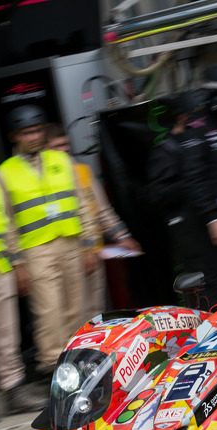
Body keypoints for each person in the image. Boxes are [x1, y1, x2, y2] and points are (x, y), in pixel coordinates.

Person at [0, 105, 97, 377]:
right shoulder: (4, 173)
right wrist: (17, 262)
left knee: (77, 306)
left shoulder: (62, 161)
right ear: (15, 136)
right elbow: (6, 222)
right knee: (49, 312)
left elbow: (83, 202)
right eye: (27, 133)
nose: (33, 137)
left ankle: (81, 362)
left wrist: (89, 243)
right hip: (35, 250)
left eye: (37, 130)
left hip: (71, 243)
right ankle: (53, 367)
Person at [147, 86, 217, 306]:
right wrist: (191, 185)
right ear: (183, 118)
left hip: (212, 227)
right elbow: (157, 195)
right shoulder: (166, 150)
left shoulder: (203, 141)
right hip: (190, 231)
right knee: (205, 287)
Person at [44, 124, 141, 317]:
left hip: (92, 254)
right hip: (63, 257)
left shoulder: (82, 171)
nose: (64, 149)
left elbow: (101, 209)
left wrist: (122, 235)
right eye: (57, 146)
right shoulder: (41, 180)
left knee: (95, 312)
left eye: (66, 144)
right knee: (67, 315)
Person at [0, 144, 45, 424]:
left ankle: (14, 388)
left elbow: (7, 229)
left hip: (0, 271)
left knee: (8, 338)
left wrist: (18, 264)